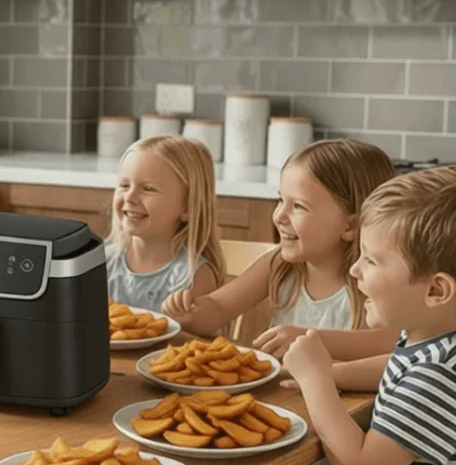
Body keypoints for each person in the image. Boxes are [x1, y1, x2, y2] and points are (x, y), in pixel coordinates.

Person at [163, 139, 399, 360]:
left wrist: (313, 341)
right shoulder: (279, 265)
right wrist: (192, 313)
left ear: (351, 225)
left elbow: (394, 342)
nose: (279, 216)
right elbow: (220, 307)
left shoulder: (376, 281)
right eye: (280, 200)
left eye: (298, 206)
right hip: (282, 395)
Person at [283, 166, 456, 465]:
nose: (354, 269)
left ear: (436, 291)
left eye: (372, 260)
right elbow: (398, 369)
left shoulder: (436, 375)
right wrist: (334, 373)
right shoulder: (435, 340)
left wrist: (316, 381)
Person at [105, 135, 226, 313]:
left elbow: (195, 340)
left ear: (187, 207)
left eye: (148, 188)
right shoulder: (99, 263)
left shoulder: (193, 277)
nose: (130, 197)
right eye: (124, 185)